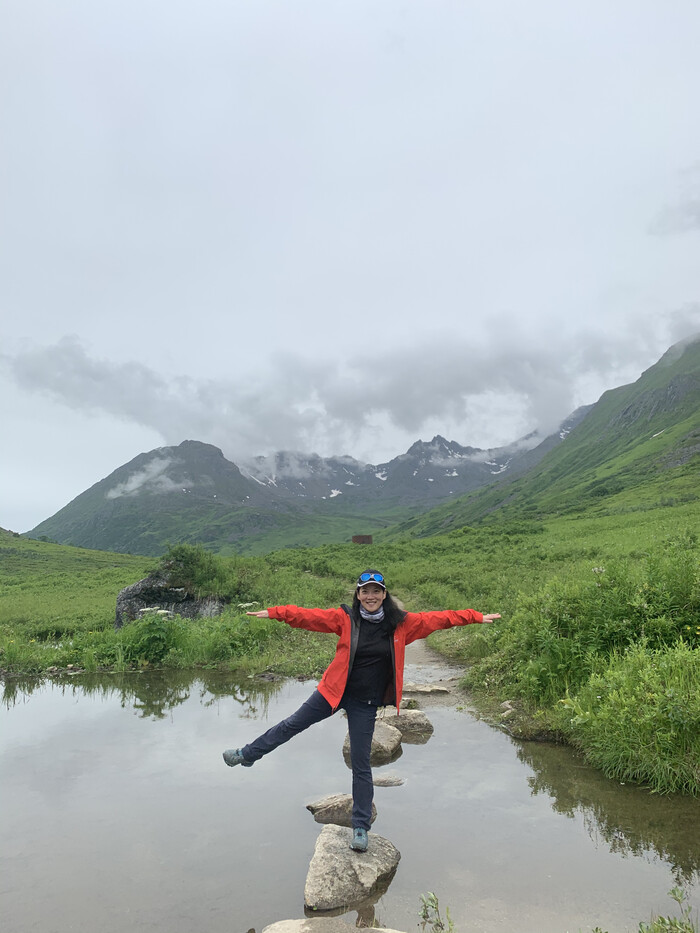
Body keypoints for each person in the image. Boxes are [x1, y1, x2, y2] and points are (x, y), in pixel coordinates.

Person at [222, 569, 501, 853]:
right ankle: (248, 754)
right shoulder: (346, 619)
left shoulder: (401, 624)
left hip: (365, 703)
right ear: (358, 595)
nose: (370, 596)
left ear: (384, 594)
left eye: (376, 591)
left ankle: (360, 827)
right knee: (292, 724)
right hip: (333, 693)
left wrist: (475, 617)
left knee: (361, 764)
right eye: (365, 591)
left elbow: (441, 619)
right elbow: (309, 617)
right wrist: (276, 613)